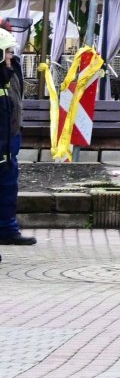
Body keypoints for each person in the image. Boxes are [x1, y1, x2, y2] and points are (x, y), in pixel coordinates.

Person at [0, 25, 34, 248]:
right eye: (9, 52)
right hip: (3, 139)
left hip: (10, 137)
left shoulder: (11, 71)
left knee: (8, 186)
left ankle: (7, 229)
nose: (13, 55)